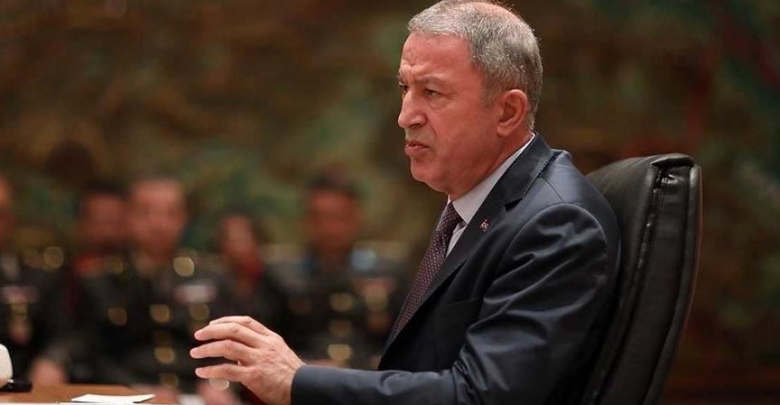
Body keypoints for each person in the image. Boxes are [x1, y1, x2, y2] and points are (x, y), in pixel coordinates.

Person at [190, 2, 620, 405]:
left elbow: (480, 396)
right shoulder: (480, 203)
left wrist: (298, 381)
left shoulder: (556, 223)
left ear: (507, 112)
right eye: (405, 88)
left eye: (432, 92)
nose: (405, 116)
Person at [44, 177, 240, 405]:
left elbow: (230, 342)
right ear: (126, 217)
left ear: (184, 219)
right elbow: (92, 351)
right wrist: (132, 389)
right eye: (146, 212)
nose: (158, 224)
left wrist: (220, 383)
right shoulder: (101, 280)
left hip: (197, 395)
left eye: (170, 213)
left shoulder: (211, 277)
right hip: (128, 395)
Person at [268, 174, 407, 370]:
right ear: (306, 220)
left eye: (339, 217)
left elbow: (406, 341)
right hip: (303, 376)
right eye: (320, 217)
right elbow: (269, 342)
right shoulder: (281, 276)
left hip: (370, 378)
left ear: (357, 218)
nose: (329, 228)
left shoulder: (389, 272)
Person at [0, 176, 69, 382]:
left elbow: (62, 332)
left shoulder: (36, 275)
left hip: (24, 383)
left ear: (11, 220)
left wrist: (53, 358)